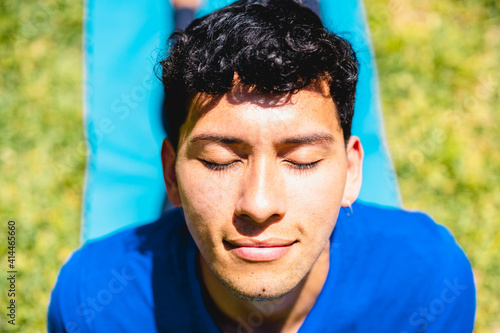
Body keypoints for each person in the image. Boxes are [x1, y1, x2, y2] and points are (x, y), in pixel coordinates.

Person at [48, 0, 475, 332]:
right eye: (220, 161)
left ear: (352, 171)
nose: (259, 203)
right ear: (171, 174)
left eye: (302, 160)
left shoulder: (427, 284)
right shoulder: (93, 303)